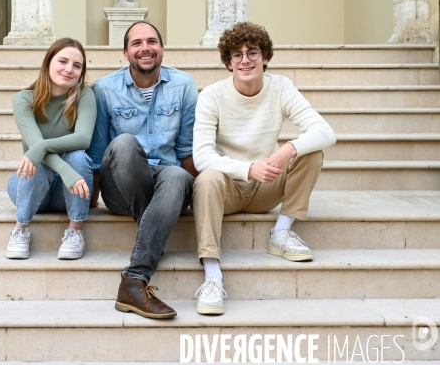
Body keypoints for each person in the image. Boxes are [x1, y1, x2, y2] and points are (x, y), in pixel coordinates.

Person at [192, 22, 336, 315]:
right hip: (228, 189)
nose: (245, 60)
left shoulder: (280, 87)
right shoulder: (212, 95)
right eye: (236, 55)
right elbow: (202, 157)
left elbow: (325, 131)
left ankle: (281, 233)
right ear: (228, 62)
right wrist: (248, 169)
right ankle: (212, 275)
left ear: (265, 57)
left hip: (267, 186)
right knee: (206, 179)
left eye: (252, 52)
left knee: (310, 152)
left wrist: (288, 149)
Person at [88, 21, 198, 319]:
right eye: (137, 43)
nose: (145, 48)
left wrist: (202, 192)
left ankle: (134, 280)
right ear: (125, 53)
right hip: (121, 187)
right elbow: (99, 153)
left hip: (166, 184)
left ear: (161, 49)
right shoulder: (104, 89)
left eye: (152, 41)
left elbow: (187, 149)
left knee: (178, 175)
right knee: (123, 143)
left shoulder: (183, 85)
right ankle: (152, 229)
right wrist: (90, 199)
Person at [6, 38, 96, 261]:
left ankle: (75, 231)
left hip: (66, 192)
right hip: (29, 184)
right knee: (39, 162)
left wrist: (43, 147)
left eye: (77, 65)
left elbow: (83, 139)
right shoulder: (24, 99)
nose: (69, 69)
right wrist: (64, 170)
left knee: (76, 156)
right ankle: (21, 229)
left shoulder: (84, 95)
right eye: (63, 61)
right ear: (48, 63)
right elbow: (35, 149)